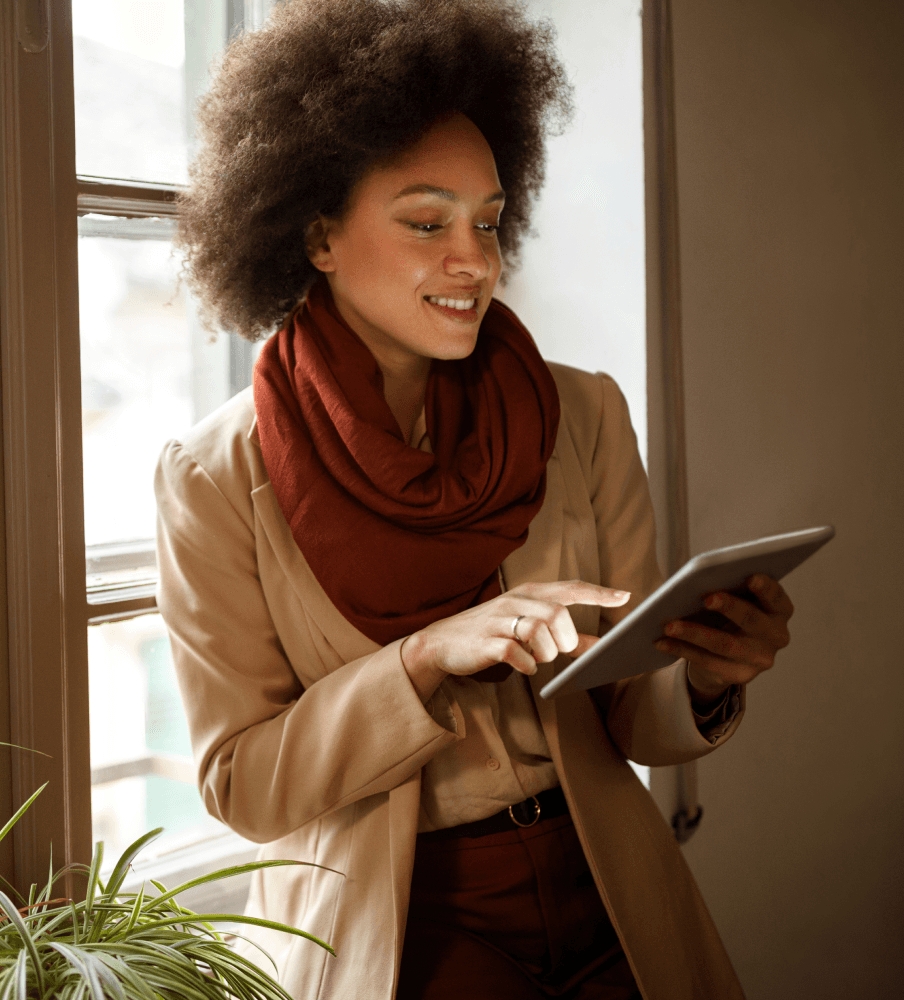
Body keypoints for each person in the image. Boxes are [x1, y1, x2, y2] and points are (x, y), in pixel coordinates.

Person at [154, 2, 794, 998]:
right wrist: (421, 660)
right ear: (316, 234)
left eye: (489, 221)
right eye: (426, 223)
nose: (477, 260)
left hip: (607, 889)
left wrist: (707, 677)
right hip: (406, 925)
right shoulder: (210, 478)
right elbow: (243, 783)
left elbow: (626, 712)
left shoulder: (579, 412)